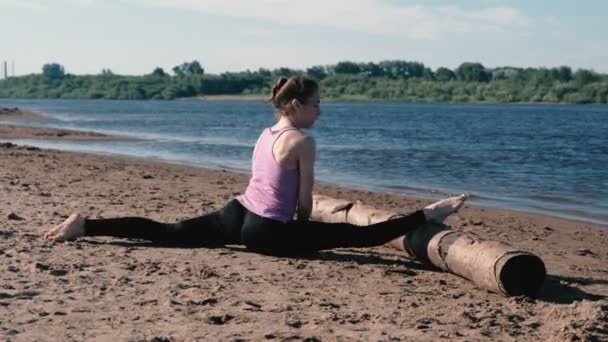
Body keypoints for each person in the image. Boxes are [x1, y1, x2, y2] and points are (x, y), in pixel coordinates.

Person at [44, 76, 467, 256]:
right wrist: (307, 231)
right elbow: (302, 205)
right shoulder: (303, 141)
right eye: (317, 105)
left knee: (167, 232)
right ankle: (431, 212)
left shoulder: (267, 133)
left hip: (237, 212)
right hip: (266, 231)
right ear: (297, 106)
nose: (321, 111)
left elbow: (265, 184)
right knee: (363, 237)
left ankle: (86, 226)